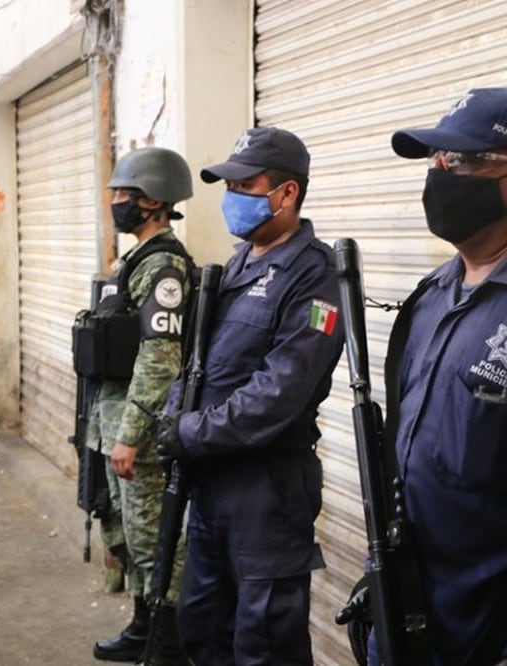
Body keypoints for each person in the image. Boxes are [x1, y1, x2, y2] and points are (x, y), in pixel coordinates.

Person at [380, 86, 507, 665]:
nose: (444, 173)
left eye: (468, 160)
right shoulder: (430, 298)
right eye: (440, 159)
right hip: (408, 617)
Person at [157, 126, 343, 665]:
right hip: (211, 484)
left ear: (287, 194)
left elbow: (279, 392)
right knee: (203, 626)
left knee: (264, 645)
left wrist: (189, 432)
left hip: (267, 492)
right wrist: (174, 413)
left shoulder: (314, 277)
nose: (232, 198)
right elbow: (197, 365)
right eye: (229, 186)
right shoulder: (237, 264)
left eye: (245, 185)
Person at [87, 146, 195, 666]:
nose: (115, 203)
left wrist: (130, 434)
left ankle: (168, 644)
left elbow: (159, 358)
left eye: (124, 195)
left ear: (154, 201)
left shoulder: (165, 266)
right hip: (112, 421)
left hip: (141, 430)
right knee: (127, 533)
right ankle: (142, 626)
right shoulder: (130, 261)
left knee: (156, 541)